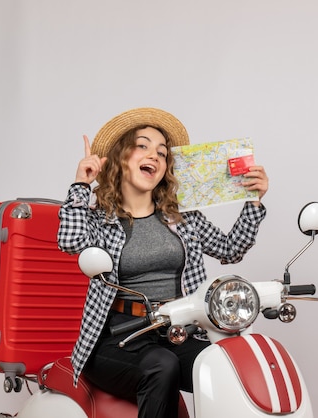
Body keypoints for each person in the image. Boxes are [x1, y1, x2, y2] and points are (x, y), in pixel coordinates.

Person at [57, 107, 268, 418]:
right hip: (117, 340)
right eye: (142, 146)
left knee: (229, 363)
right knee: (162, 365)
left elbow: (230, 249)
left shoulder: (181, 217)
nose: (154, 156)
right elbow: (71, 241)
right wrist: (80, 186)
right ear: (120, 158)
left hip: (177, 332)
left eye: (162, 152)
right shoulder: (99, 219)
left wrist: (254, 202)